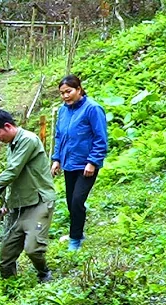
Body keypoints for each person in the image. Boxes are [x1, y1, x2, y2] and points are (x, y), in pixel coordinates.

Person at [0, 109, 56, 282]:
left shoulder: (28, 140)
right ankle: (9, 287)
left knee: (33, 248)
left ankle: (44, 272)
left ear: (7, 126)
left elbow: (13, 171)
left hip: (38, 204)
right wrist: (5, 206)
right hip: (18, 207)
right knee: (6, 255)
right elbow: (14, 179)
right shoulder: (11, 146)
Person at [51, 74, 108, 251]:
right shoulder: (63, 111)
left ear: (79, 89)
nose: (65, 96)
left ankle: (75, 239)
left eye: (69, 91)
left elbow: (101, 138)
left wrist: (92, 162)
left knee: (77, 200)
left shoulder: (93, 109)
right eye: (62, 93)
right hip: (69, 163)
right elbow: (59, 136)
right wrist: (56, 159)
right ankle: (78, 232)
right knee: (70, 201)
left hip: (86, 165)